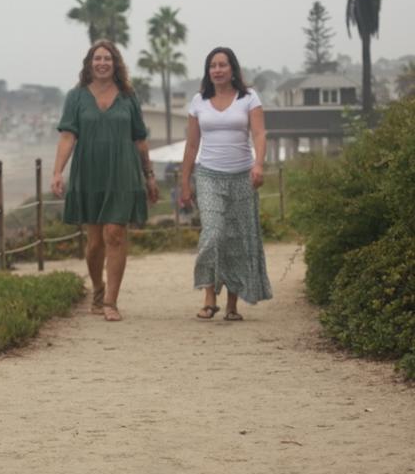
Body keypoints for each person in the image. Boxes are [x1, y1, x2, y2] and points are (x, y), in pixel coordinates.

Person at [51, 39, 159, 321]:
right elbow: (67, 137)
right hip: (89, 172)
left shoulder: (128, 96)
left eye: (107, 59)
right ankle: (98, 288)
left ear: (115, 64)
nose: (102, 63)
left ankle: (111, 301)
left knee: (115, 233)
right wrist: (57, 172)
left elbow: (140, 139)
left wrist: (149, 176)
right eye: (97, 58)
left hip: (123, 171)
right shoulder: (75, 97)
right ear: (89, 64)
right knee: (95, 242)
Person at [180, 46, 272, 320]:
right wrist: (185, 182)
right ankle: (209, 296)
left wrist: (258, 164)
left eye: (222, 65)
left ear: (233, 69)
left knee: (237, 239)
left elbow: (259, 134)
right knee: (213, 233)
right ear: (208, 71)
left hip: (242, 177)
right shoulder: (199, 101)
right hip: (208, 175)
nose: (217, 70)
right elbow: (192, 143)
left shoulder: (249, 98)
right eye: (212, 66)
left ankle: (232, 304)